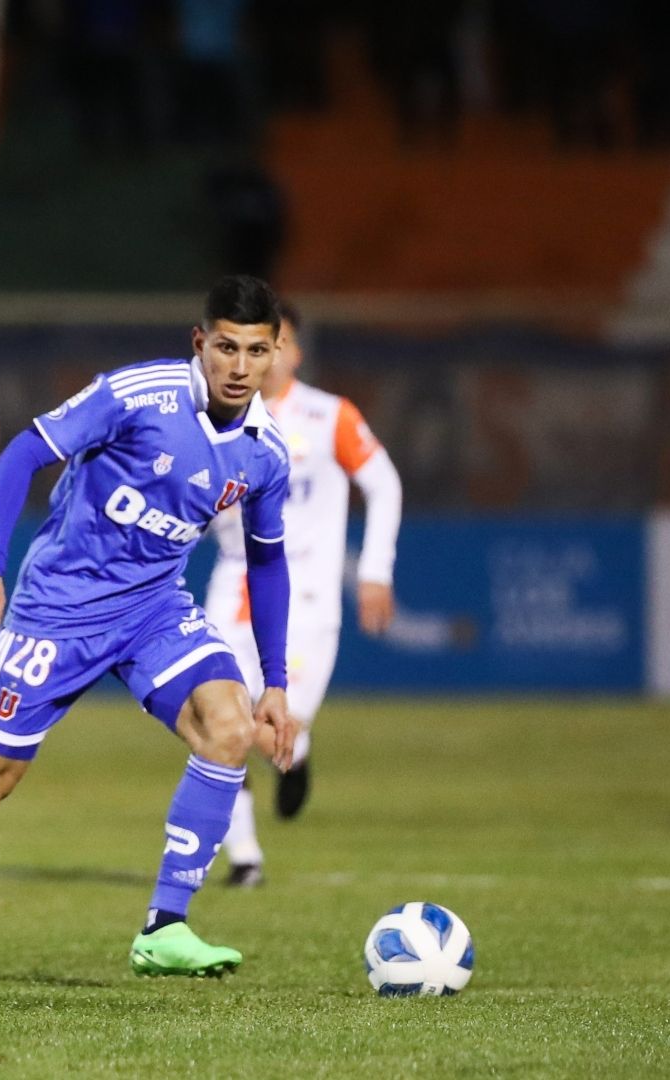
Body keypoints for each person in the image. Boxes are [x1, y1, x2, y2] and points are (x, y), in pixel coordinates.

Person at [0, 275, 298, 976]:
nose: (239, 366)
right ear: (200, 343)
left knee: (228, 727)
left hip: (155, 610)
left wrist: (277, 681)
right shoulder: (139, 397)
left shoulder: (265, 454)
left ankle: (165, 925)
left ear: (275, 354)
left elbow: (268, 562)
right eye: (225, 347)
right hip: (59, 610)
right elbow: (23, 453)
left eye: (256, 351)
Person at [203, 301, 402, 885]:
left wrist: (376, 569)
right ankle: (245, 858)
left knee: (275, 732)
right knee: (223, 723)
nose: (266, 357)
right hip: (232, 584)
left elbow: (383, 483)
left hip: (307, 594)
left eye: (277, 343)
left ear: (294, 351)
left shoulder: (328, 415)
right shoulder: (216, 417)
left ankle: (299, 756)